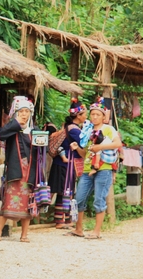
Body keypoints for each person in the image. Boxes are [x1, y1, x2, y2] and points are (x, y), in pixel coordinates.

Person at [65, 97, 122, 239]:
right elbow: (86, 153)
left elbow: (118, 144)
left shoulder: (108, 129)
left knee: (99, 200)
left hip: (104, 168)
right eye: (93, 114)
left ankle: (96, 232)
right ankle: (79, 229)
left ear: (103, 116)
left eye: (98, 114)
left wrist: (100, 147)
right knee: (79, 199)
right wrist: (77, 147)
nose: (95, 117)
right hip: (87, 168)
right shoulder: (87, 130)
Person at [0, 96, 38, 243]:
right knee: (8, 200)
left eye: (27, 111)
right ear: (15, 113)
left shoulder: (34, 131)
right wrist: (16, 124)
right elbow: (1, 135)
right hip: (15, 171)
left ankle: (24, 235)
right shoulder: (12, 129)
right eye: (21, 111)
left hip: (29, 172)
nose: (24, 114)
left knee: (27, 202)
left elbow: (43, 150)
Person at [48, 98, 88, 229]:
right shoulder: (74, 130)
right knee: (63, 191)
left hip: (64, 163)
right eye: (85, 114)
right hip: (64, 164)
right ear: (78, 115)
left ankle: (64, 219)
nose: (87, 116)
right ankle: (60, 220)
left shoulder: (69, 127)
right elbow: (85, 144)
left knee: (65, 191)